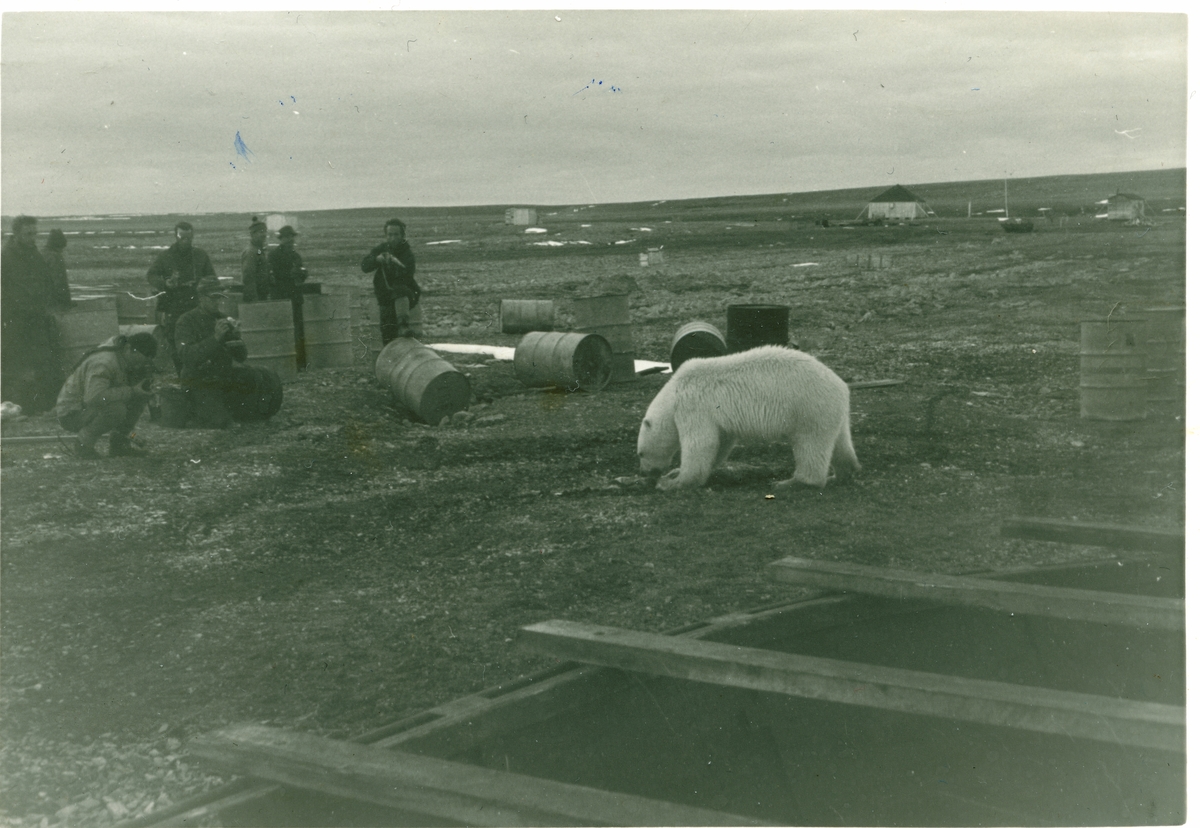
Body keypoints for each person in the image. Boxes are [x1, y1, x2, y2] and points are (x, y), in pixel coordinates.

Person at [55, 332, 157, 459]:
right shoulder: (104, 362)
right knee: (116, 409)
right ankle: (83, 445)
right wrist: (131, 390)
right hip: (71, 413)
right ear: (129, 349)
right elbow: (94, 397)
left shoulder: (123, 358)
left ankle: (119, 445)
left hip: (87, 408)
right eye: (140, 360)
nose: (141, 365)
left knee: (138, 397)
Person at [1, 215, 63, 413]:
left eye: (35, 233)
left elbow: (45, 281)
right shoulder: (5, 256)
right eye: (28, 234)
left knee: (42, 360)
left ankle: (39, 406)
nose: (33, 238)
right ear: (16, 233)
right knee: (15, 364)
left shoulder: (35, 254)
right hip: (14, 320)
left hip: (36, 317)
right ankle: (12, 406)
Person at [174, 277, 250, 429]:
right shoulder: (186, 321)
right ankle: (198, 412)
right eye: (213, 298)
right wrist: (215, 338)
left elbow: (241, 357)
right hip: (198, 379)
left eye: (220, 298)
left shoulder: (222, 318)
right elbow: (187, 356)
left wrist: (236, 337)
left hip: (224, 376)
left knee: (255, 397)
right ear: (201, 298)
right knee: (220, 421)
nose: (218, 302)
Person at [146, 220, 216, 370]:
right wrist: (165, 283)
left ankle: (198, 375)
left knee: (199, 339)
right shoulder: (165, 257)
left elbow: (212, 277)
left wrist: (203, 284)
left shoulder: (200, 255)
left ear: (192, 237)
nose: (185, 242)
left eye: (189, 239)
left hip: (196, 305)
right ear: (175, 237)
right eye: (182, 238)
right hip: (173, 306)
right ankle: (182, 376)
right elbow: (151, 275)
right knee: (176, 342)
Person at [360, 218, 421, 344]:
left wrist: (393, 265)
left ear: (402, 235)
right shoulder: (381, 249)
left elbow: (407, 276)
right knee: (387, 334)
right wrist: (376, 260)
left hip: (402, 296)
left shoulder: (407, 254)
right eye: (390, 234)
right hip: (385, 298)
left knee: (404, 337)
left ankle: (403, 324)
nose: (393, 238)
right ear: (386, 235)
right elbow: (364, 266)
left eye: (396, 234)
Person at [267, 225, 309, 368]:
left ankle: (300, 362)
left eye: (291, 236)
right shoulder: (273, 255)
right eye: (286, 237)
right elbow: (272, 276)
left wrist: (302, 274)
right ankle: (284, 362)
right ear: (281, 239)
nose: (290, 239)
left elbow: (301, 275)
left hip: (295, 297)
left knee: (298, 329)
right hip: (281, 297)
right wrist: (290, 275)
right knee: (283, 329)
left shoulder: (296, 255)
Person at [240, 217, 271, 303]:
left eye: (265, 231)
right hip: (255, 298)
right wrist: (254, 301)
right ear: (253, 234)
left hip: (261, 296)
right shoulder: (251, 252)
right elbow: (248, 278)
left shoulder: (258, 250)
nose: (264, 234)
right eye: (261, 232)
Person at [43, 229, 73, 310]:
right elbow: (60, 282)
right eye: (62, 249)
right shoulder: (56, 257)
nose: (62, 251)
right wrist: (67, 302)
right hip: (54, 302)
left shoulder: (41, 253)